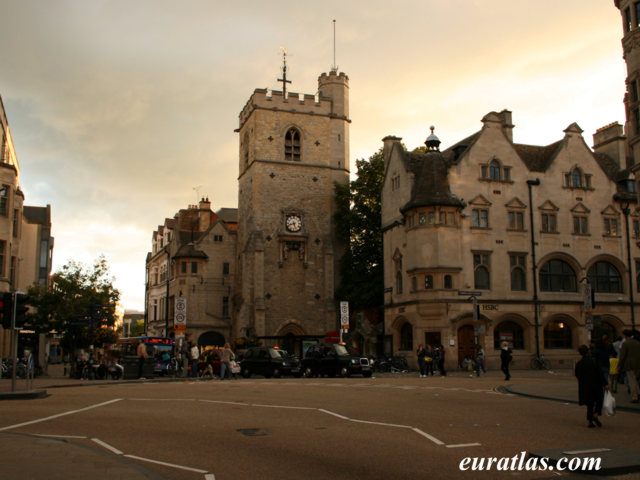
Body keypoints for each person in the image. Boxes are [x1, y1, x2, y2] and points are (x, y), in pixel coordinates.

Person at [575, 344, 607, 428]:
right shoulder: (594, 361)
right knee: (599, 400)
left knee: (590, 404)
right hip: (596, 385)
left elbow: (577, 374)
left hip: (585, 386)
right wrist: (606, 383)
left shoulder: (579, 364)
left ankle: (590, 421)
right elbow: (600, 373)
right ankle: (596, 414)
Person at [618, 329, 640, 403]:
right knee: (635, 379)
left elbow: (622, 356)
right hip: (638, 363)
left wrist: (619, 365)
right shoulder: (637, 342)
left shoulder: (625, 343)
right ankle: (638, 393)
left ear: (625, 335)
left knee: (632, 381)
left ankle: (634, 396)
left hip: (629, 364)